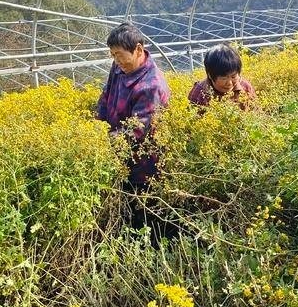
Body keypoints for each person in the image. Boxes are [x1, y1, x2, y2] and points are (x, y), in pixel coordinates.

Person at [97, 22, 170, 188]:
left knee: (139, 209)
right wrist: (95, 127)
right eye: (113, 54)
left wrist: (99, 142)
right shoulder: (119, 66)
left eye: (119, 54)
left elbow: (136, 130)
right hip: (117, 159)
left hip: (142, 169)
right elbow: (105, 96)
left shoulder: (151, 86)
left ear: (138, 49)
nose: (116, 60)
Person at [188, 44, 256, 109]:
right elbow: (192, 118)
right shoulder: (199, 93)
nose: (229, 83)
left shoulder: (245, 87)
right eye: (224, 78)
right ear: (210, 76)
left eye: (233, 77)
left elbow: (256, 113)